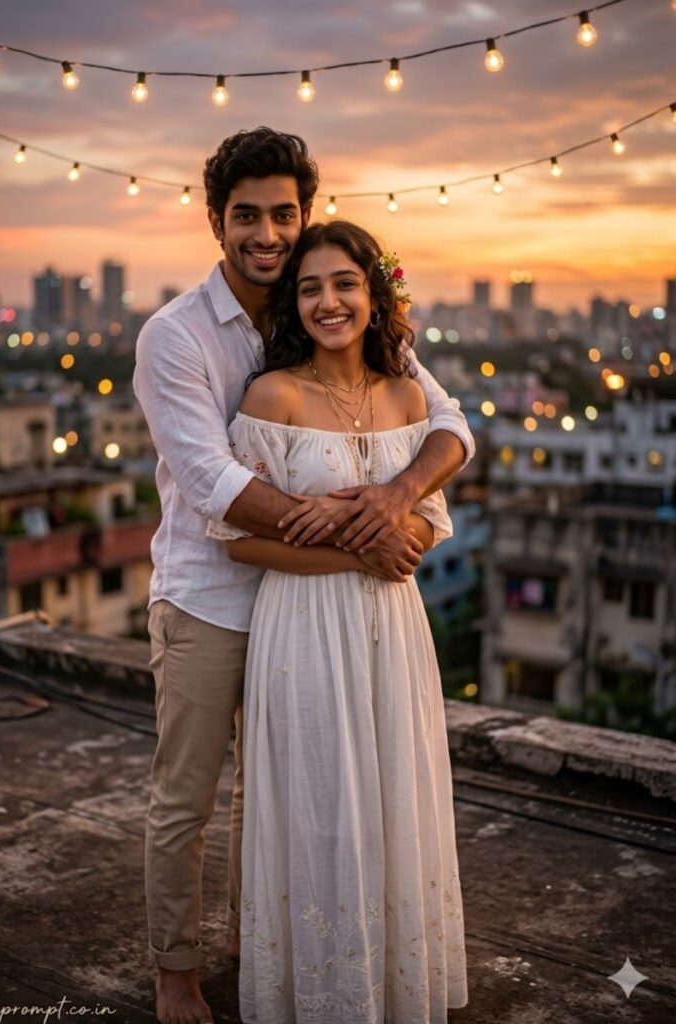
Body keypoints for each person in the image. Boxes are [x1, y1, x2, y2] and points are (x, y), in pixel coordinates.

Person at [133, 127, 475, 1024]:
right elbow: (213, 484)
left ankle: (268, 947)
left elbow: (447, 423)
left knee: (282, 787)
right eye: (246, 215)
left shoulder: (324, 299)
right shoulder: (174, 337)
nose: (267, 233)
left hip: (310, 610)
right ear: (216, 221)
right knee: (189, 795)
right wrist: (361, 542)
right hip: (210, 596)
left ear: (305, 215)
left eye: (284, 213)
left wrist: (397, 496)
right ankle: (175, 974)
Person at [207, 219, 468, 1023]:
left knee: (394, 797)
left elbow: (431, 521)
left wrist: (400, 532)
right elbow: (239, 537)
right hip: (304, 633)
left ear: (374, 293)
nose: (329, 301)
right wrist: (361, 552)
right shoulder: (271, 394)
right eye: (311, 287)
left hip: (395, 633)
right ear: (294, 301)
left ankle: (391, 986)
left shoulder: (409, 395)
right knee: (321, 806)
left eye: (345, 284)